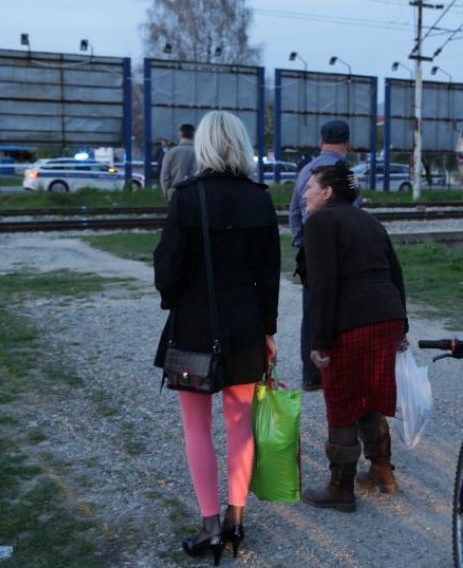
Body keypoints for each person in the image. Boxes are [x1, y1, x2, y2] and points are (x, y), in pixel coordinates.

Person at [153, 111, 280, 564]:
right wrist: (268, 329)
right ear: (242, 145)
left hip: (193, 327)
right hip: (246, 327)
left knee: (196, 427)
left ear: (204, 145)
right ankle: (236, 519)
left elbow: (167, 271)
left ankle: (209, 524)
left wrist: (176, 299)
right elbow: (270, 275)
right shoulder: (260, 200)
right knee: (240, 426)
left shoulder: (187, 198)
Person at [298, 161, 407, 513]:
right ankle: (381, 471)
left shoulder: (321, 223)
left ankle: (340, 487)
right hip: (385, 318)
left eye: (310, 187)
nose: (304, 194)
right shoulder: (370, 221)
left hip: (352, 324)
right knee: (370, 394)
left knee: (343, 403)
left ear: (327, 192)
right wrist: (401, 325)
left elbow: (323, 286)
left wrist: (319, 341)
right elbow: (395, 273)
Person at [289, 120, 351, 391]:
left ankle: (311, 375)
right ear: (348, 143)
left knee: (311, 309)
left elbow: (293, 211)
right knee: (341, 308)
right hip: (341, 250)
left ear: (320, 142)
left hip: (310, 250)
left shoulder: (306, 170)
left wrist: (301, 242)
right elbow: (353, 211)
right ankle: (338, 368)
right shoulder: (346, 173)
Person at [160, 124, 197, 202]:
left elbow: (165, 176)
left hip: (175, 193)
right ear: (194, 135)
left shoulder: (171, 153)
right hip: (195, 194)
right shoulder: (200, 153)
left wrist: (167, 193)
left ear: (180, 134)